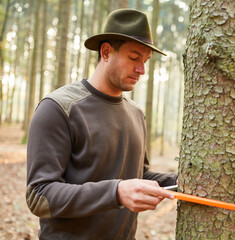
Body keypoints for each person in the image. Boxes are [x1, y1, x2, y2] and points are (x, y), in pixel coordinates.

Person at [26, 9, 177, 240]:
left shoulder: (136, 114)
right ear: (106, 52)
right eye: (134, 57)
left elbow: (138, 175)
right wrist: (115, 192)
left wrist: (185, 181)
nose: (142, 70)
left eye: (145, 61)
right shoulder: (59, 108)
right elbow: (40, 196)